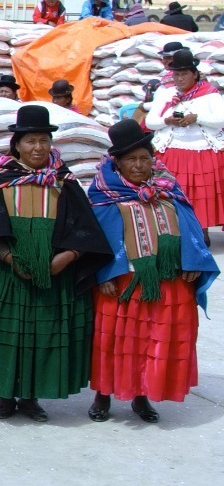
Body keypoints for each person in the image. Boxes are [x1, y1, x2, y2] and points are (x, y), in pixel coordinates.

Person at [0, 104, 112, 422]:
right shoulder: (1, 181)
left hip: (54, 277)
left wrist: (65, 258)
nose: (38, 147)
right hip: (8, 274)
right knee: (7, 334)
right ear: (17, 145)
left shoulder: (65, 184)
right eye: (30, 141)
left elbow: (85, 232)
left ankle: (31, 398)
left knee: (43, 335)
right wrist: (10, 258)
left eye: (43, 140)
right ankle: (4, 396)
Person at [85, 120, 218, 424]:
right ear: (116, 162)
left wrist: (192, 264)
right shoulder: (103, 195)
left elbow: (192, 229)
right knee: (114, 341)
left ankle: (141, 395)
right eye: (131, 159)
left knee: (153, 340)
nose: (139, 165)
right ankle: (103, 395)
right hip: (123, 282)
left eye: (144, 158)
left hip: (167, 282)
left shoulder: (169, 189)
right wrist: (102, 273)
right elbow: (94, 240)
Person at [144, 49, 224, 230]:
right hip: (173, 150)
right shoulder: (166, 94)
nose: (179, 79)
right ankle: (179, 230)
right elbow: (150, 122)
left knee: (202, 194)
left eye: (184, 74)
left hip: (203, 151)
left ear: (195, 74)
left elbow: (221, 119)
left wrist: (197, 118)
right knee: (176, 193)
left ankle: (201, 230)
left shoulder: (210, 94)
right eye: (176, 74)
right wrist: (168, 120)